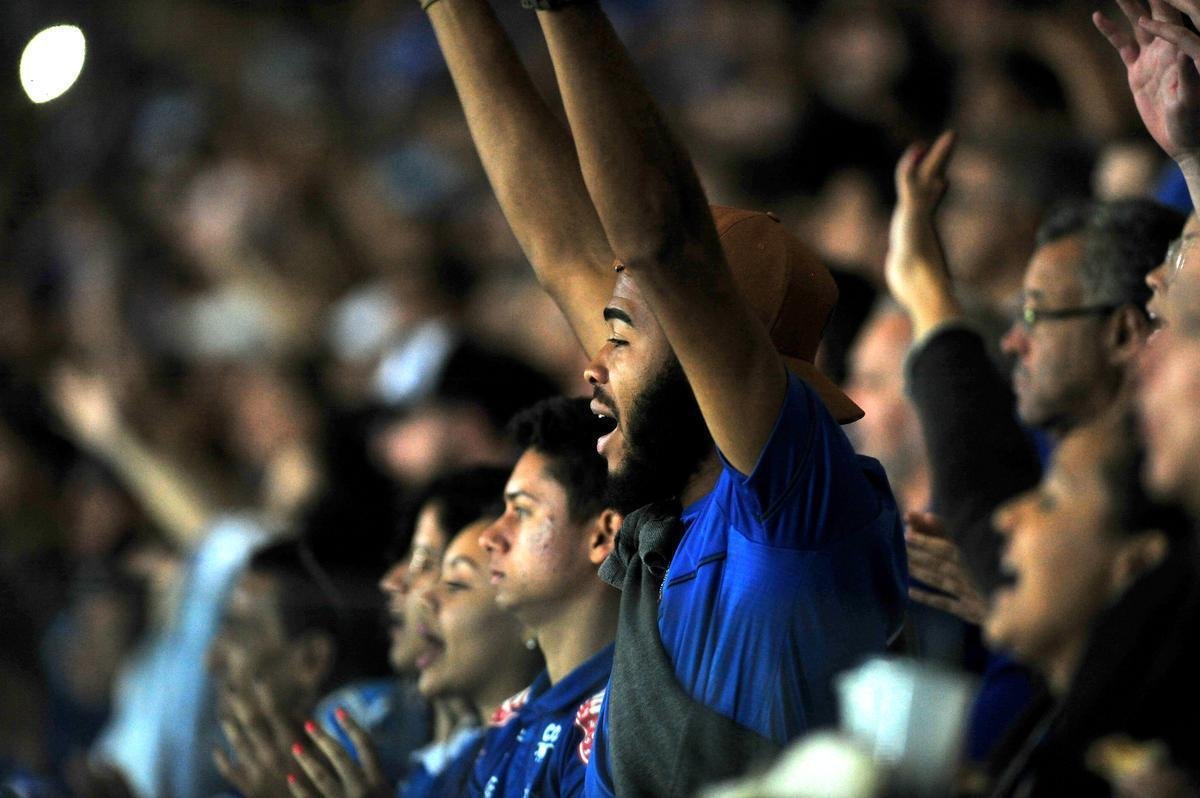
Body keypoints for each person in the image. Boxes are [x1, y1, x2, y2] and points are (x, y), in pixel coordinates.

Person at [421, 2, 907, 793]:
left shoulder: (785, 504)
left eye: (619, 338)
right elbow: (561, 248)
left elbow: (661, 243)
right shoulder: (673, 508)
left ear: (706, 347)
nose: (591, 367)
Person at [981, 408, 1200, 796]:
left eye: (1049, 500)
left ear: (1135, 564)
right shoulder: (1042, 728)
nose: (1007, 517)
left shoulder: (1132, 773)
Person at [288, 516, 545, 798]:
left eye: (456, 584)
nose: (425, 597)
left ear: (527, 615)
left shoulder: (546, 753)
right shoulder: (464, 762)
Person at [472, 396, 621, 797]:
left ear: (603, 536)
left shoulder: (622, 722)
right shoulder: (509, 718)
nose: (489, 536)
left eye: (521, 511)